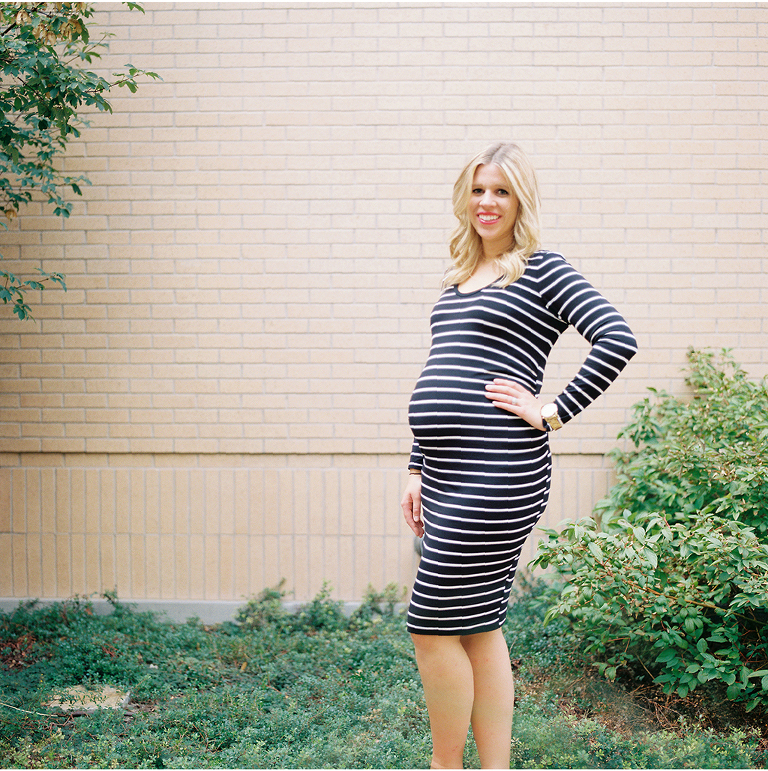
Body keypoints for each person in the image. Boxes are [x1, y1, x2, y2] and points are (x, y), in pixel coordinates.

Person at [400, 142, 638, 769]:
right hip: (445, 473)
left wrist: (553, 410)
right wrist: (418, 466)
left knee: (430, 624)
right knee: (477, 625)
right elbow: (444, 370)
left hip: (500, 467)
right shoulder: (458, 279)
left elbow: (617, 338)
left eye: (501, 191)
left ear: (520, 200)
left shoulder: (541, 268)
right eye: (478, 189)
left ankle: (445, 766)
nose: (487, 202)